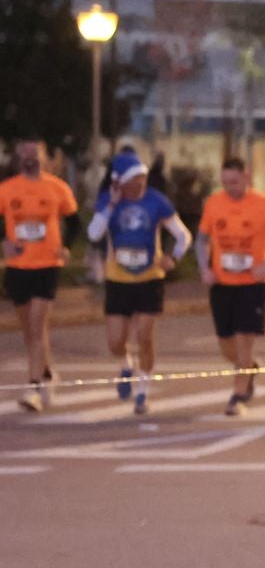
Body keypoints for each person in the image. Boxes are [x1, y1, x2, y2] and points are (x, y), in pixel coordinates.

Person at [88, 156, 192, 416]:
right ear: (121, 182)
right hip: (118, 279)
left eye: (143, 177)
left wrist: (173, 257)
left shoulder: (157, 201)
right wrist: (111, 205)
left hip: (149, 278)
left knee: (145, 336)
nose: (140, 183)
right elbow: (93, 234)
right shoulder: (109, 201)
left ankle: (143, 391)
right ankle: (125, 364)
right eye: (134, 178)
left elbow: (183, 235)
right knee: (115, 341)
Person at [195, 158, 265, 416]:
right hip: (222, 283)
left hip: (253, 284)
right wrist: (204, 267)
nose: (230, 188)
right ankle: (249, 368)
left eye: (234, 182)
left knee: (244, 340)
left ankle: (238, 395)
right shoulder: (215, 203)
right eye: (225, 183)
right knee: (226, 344)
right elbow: (202, 239)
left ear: (246, 177)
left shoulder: (264, 204)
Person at [2, 139, 78, 411]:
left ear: (44, 157)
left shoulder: (57, 188)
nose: (29, 158)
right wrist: (4, 242)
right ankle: (47, 372)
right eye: (24, 154)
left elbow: (74, 220)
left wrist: (67, 246)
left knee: (37, 326)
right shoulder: (7, 189)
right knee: (28, 331)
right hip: (18, 267)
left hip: (47, 265)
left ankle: (33, 386)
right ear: (18, 158)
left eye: (35, 154)